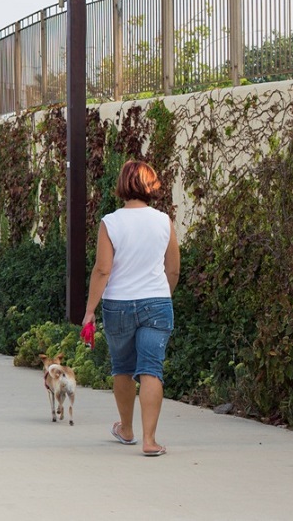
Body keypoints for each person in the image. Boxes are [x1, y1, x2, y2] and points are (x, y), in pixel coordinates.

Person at [83, 160, 180, 457]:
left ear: (122, 185)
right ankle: (150, 441)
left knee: (123, 369)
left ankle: (126, 429)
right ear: (151, 185)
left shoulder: (111, 222)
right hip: (157, 302)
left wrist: (89, 312)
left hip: (118, 306)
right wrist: (163, 294)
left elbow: (102, 270)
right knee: (151, 369)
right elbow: (173, 269)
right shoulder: (164, 221)